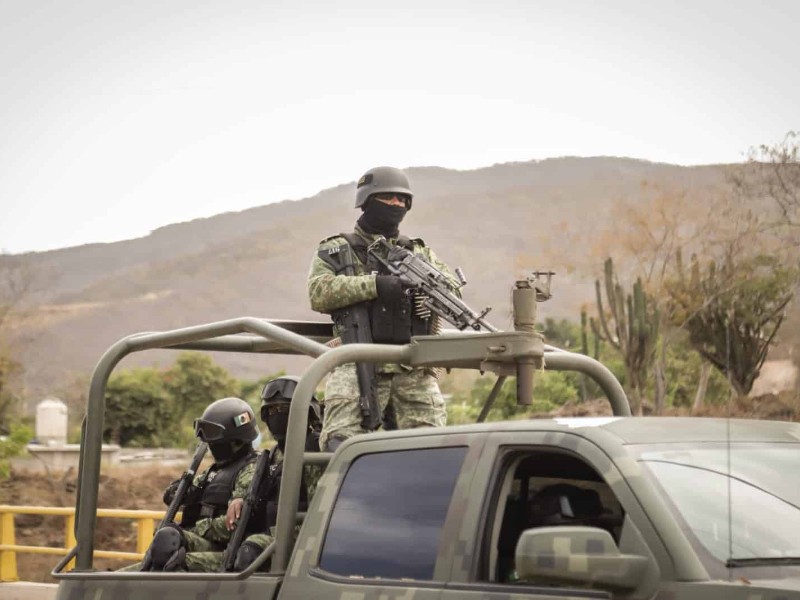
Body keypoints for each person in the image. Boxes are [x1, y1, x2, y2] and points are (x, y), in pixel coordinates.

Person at [307, 166, 458, 451]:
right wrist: (376, 285)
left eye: (402, 200)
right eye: (388, 198)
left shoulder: (419, 252)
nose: (396, 204)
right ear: (367, 201)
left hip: (411, 365)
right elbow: (318, 292)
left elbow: (451, 289)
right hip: (356, 359)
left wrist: (428, 290)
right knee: (340, 445)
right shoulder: (337, 249)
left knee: (431, 449)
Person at [133, 397, 259, 572]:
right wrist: (178, 490)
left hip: (224, 548)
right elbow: (178, 495)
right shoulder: (214, 471)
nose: (211, 445)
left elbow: (234, 523)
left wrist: (196, 529)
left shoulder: (250, 470)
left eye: (214, 439)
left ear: (236, 440)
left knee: (169, 543)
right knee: (160, 546)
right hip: (202, 541)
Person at [225, 375, 323, 570]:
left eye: (283, 409)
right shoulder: (273, 455)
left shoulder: (314, 450)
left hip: (298, 538)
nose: (276, 415)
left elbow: (318, 513)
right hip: (266, 535)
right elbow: (254, 491)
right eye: (271, 410)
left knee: (249, 552)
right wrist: (238, 499)